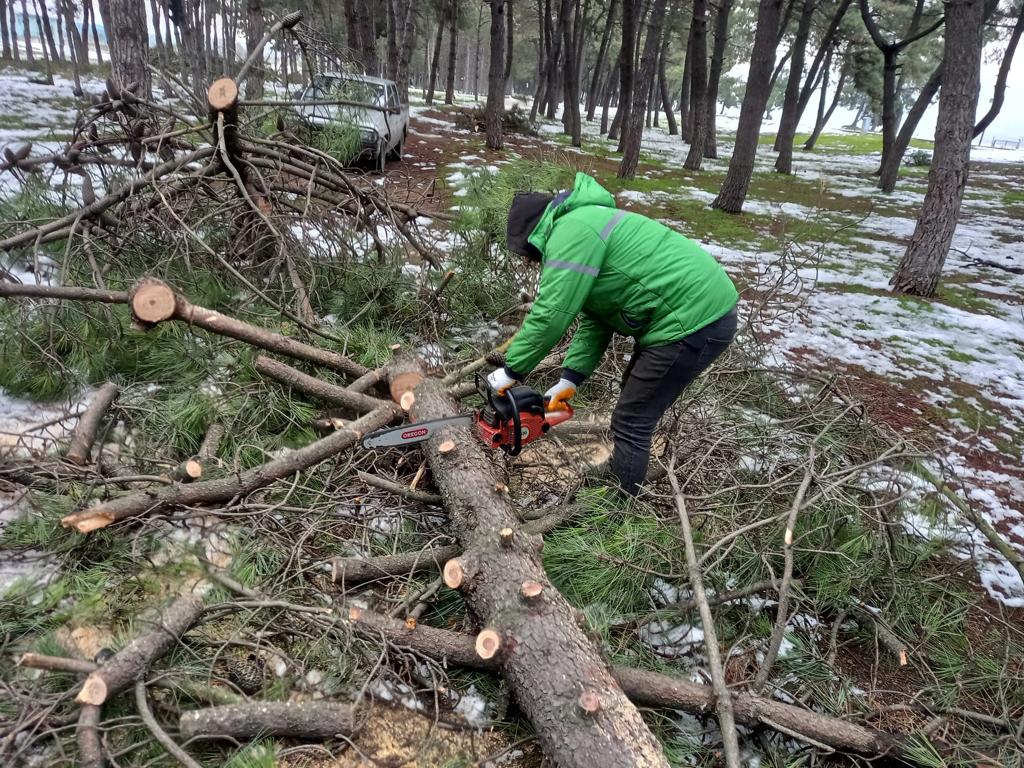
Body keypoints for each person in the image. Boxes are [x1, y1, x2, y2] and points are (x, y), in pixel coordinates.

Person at [486, 172, 738, 496]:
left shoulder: (571, 231)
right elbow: (597, 320)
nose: (527, 260)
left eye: (525, 252)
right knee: (633, 403)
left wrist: (511, 370)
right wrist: (568, 381)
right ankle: (621, 476)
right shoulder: (582, 224)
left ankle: (618, 516)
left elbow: (550, 316)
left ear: (533, 235)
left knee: (633, 420)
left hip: (694, 319)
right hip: (692, 313)